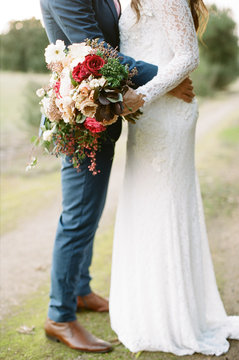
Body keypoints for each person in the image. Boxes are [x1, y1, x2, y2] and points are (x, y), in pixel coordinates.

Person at [40, 0, 194, 353]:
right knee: (79, 216)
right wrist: (164, 77)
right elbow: (98, 53)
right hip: (81, 120)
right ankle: (59, 316)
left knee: (89, 212)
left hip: (101, 117)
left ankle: (80, 290)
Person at [110, 0, 239, 356]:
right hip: (147, 114)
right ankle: (147, 308)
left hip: (166, 113)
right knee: (144, 208)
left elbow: (187, 56)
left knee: (164, 209)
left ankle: (175, 316)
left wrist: (143, 95)